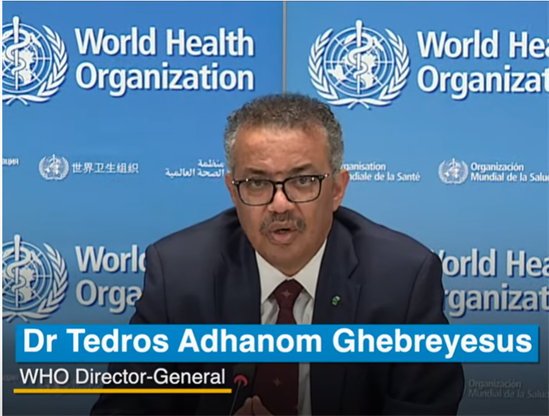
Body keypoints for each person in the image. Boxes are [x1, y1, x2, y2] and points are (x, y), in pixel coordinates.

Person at [90, 93, 464, 416]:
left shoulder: (402, 282)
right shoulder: (179, 275)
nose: (280, 204)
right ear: (233, 191)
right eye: (257, 183)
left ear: (337, 189)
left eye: (302, 180)